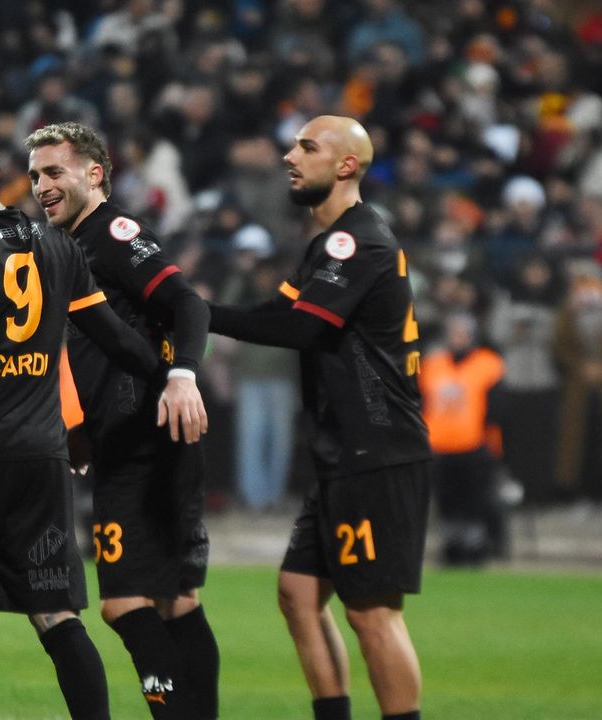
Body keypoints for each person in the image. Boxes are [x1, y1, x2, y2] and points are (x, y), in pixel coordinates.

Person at [0, 122, 190, 720]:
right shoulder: (57, 246)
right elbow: (117, 339)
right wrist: (176, 378)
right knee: (56, 615)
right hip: (41, 459)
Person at [206, 115, 431, 720]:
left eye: (307, 147)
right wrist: (197, 310)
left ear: (346, 165)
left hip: (377, 451)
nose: (290, 156)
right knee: (299, 592)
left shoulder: (358, 241)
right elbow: (272, 314)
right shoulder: (327, 245)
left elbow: (302, 328)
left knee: (372, 612)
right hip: (345, 452)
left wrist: (195, 314)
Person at [25, 121, 219, 718]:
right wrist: (83, 425)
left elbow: (187, 302)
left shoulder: (112, 232)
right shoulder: (71, 244)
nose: (41, 186)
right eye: (34, 176)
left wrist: (184, 374)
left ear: (94, 173)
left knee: (124, 603)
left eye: (54, 172)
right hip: (130, 436)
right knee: (174, 602)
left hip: (145, 438)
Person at [419, 312, 506, 565]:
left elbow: (498, 407)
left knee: (475, 502)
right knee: (447, 502)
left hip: (474, 445)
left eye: (462, 333)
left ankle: (475, 548)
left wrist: (491, 439)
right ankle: (452, 547)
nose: (457, 338)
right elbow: (421, 401)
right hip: (438, 445)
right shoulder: (433, 364)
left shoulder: (488, 364)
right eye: (454, 333)